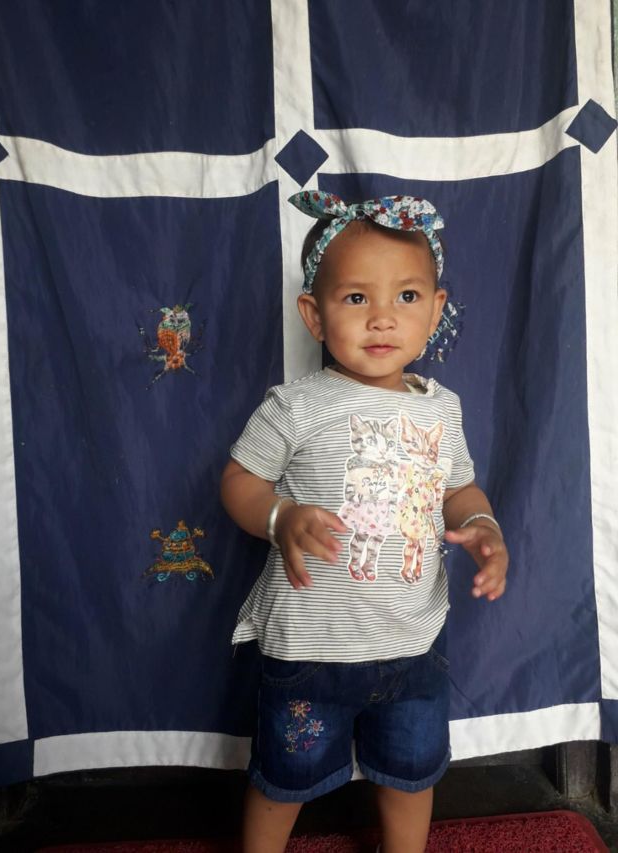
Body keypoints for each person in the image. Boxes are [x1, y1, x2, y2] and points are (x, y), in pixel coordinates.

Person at [221, 191, 509, 853]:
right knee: (282, 778)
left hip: (415, 643)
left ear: (436, 309)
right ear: (313, 314)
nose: (382, 317)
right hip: (311, 649)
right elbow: (239, 481)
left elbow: (459, 488)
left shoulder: (441, 409)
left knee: (411, 774)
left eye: (407, 296)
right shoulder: (296, 405)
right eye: (356, 298)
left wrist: (483, 524)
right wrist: (278, 515)